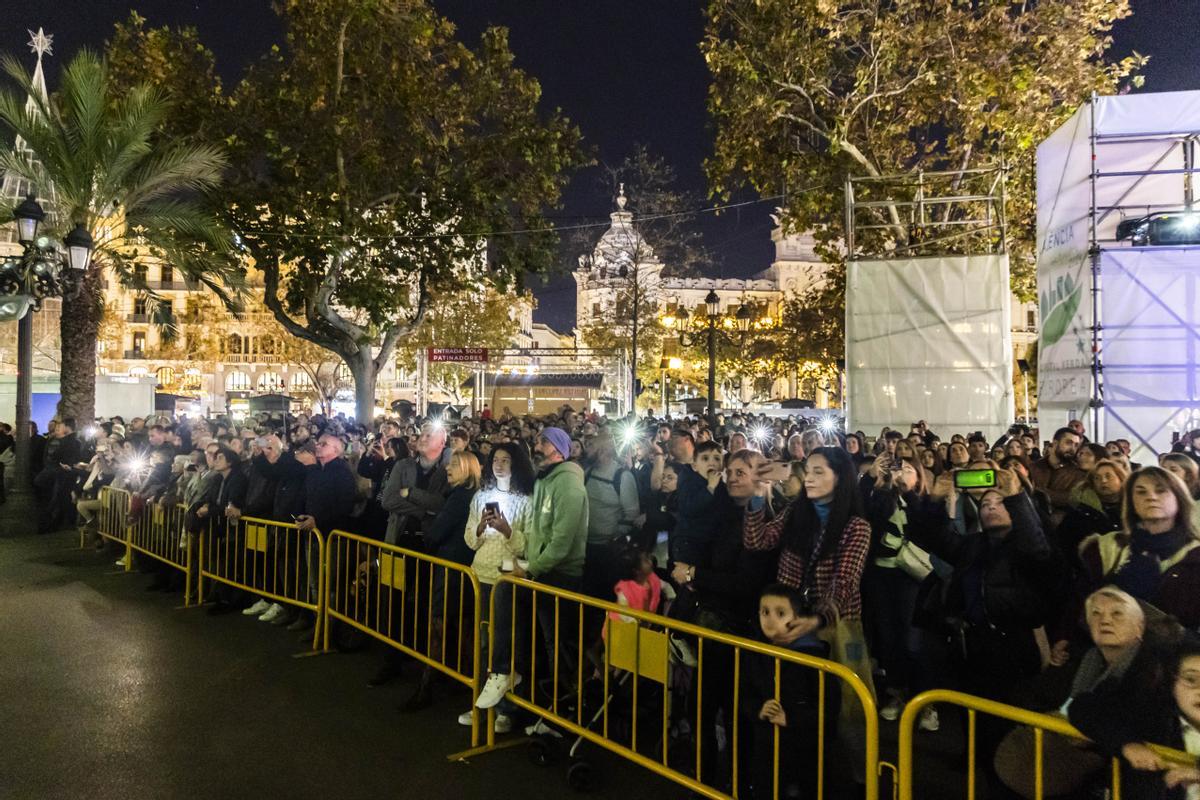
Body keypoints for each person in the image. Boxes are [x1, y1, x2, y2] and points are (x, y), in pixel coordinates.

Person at [743, 445, 873, 784]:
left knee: (847, 707)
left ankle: (861, 780)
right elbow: (758, 541)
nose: (810, 478)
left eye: (819, 472)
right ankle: (799, 776)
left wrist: (818, 618)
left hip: (837, 627)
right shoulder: (795, 513)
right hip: (790, 622)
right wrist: (758, 496)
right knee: (793, 702)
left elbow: (846, 581)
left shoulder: (855, 526)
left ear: (840, 477)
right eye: (808, 471)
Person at [475, 426, 588, 710]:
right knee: (511, 603)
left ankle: (564, 709)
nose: (536, 446)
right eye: (537, 441)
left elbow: (562, 541)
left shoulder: (569, 485)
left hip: (560, 575)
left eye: (543, 442)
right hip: (540, 570)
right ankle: (505, 673)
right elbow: (539, 533)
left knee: (556, 644)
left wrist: (531, 569)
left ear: (559, 450)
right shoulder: (543, 482)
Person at [456, 442, 534, 732]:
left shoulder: (526, 500)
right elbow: (469, 538)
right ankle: (479, 700)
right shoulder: (481, 496)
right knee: (483, 641)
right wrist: (480, 528)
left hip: (507, 578)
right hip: (481, 574)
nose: (499, 465)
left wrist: (507, 531)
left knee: (506, 641)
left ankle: (507, 709)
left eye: (506, 459)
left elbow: (529, 546)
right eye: (495, 460)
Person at [739, 583, 839, 799]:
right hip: (766, 752)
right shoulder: (757, 652)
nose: (770, 619)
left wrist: (791, 718)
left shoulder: (814, 660)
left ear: (798, 617)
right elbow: (745, 695)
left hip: (804, 756)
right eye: (765, 611)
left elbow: (829, 710)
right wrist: (759, 709)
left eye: (780, 613)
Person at [403, 450, 481, 712]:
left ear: (469, 469)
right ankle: (470, 685)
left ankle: (428, 687)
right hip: (461, 569)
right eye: (450, 463)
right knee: (462, 627)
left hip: (451, 568)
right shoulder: (463, 495)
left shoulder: (460, 497)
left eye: (456, 464)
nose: (449, 467)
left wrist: (427, 522)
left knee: (442, 624)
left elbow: (437, 532)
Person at [1080, 466, 1200, 628]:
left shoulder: (1194, 554)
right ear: (1131, 501)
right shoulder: (1106, 547)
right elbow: (1081, 601)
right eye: (1141, 492)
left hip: (1179, 649)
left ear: (1179, 498)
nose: (1151, 497)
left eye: (1161, 490)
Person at [1029, 427, 1087, 524]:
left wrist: (1037, 491)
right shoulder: (1033, 468)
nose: (1073, 448)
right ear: (1055, 443)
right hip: (1032, 522)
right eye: (1068, 443)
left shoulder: (1078, 473)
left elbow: (1071, 499)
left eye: (1076, 445)